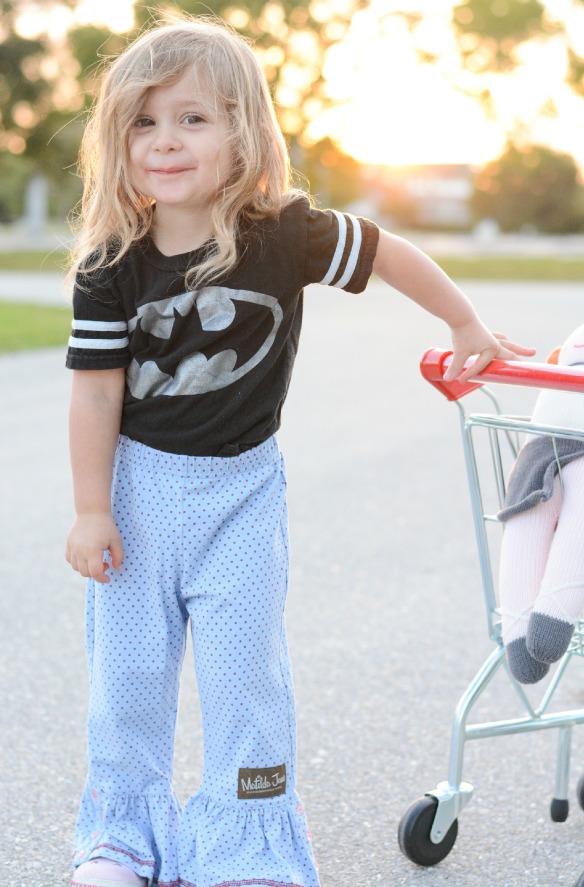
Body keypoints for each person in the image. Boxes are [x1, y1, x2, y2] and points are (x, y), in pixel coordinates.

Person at [64, 14, 534, 887]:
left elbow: (389, 253)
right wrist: (92, 508)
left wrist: (465, 322)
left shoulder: (283, 232)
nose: (165, 140)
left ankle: (247, 845)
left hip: (241, 496)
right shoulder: (111, 263)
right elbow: (95, 394)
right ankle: (121, 838)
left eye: (193, 118)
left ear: (242, 131)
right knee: (126, 676)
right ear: (118, 140)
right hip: (137, 494)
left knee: (246, 679)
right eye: (144, 122)